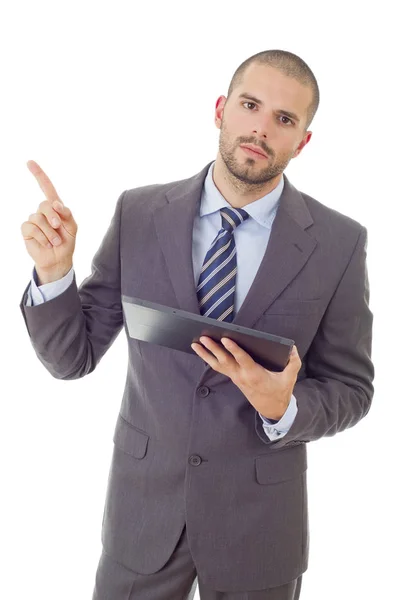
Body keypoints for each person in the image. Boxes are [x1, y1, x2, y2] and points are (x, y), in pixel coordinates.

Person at [19, 49, 374, 600]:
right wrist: (54, 271)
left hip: (260, 526)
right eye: (250, 105)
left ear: (302, 141)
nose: (261, 128)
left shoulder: (339, 243)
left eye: (284, 119)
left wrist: (284, 407)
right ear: (220, 110)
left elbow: (352, 388)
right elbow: (73, 357)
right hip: (144, 512)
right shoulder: (138, 214)